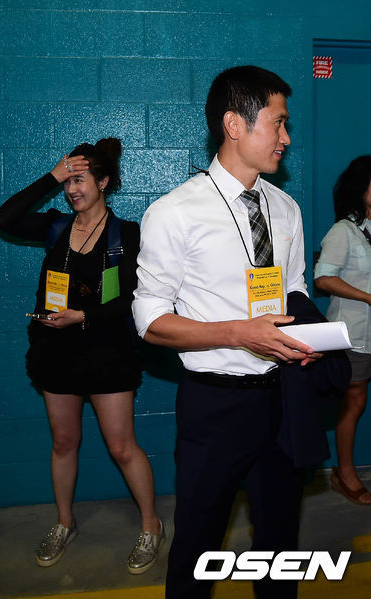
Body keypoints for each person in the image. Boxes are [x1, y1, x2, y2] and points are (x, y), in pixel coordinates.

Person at [133, 66, 349, 599]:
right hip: (215, 406)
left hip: (284, 397)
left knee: (279, 544)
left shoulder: (286, 208)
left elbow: (293, 290)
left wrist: (307, 342)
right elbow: (150, 320)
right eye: (278, 123)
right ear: (235, 124)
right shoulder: (175, 213)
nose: (286, 137)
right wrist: (238, 333)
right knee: (198, 547)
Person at [0, 138, 163, 574]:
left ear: (103, 183)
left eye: (80, 180)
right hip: (57, 353)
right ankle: (64, 522)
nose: (72, 189)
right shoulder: (55, 227)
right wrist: (52, 175)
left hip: (107, 353)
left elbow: (133, 300)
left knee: (121, 446)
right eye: (67, 182)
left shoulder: (127, 235)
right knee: (64, 442)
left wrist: (83, 316)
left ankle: (151, 525)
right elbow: (4, 218)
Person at [315, 156, 371, 505]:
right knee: (354, 401)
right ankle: (344, 473)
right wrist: (366, 296)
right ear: (360, 189)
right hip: (354, 333)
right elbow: (323, 278)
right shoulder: (344, 231)